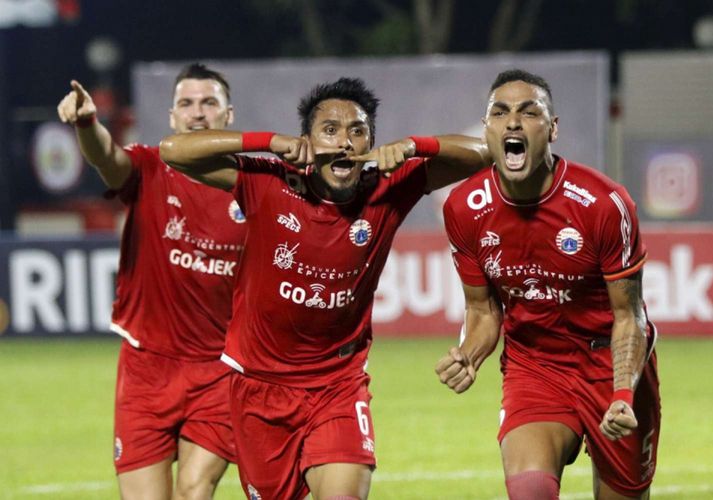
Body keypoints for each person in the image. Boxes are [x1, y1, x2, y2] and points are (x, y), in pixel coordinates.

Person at [159, 76, 489, 500]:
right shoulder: (268, 180)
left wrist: (412, 146)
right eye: (330, 130)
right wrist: (270, 141)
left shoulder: (389, 186)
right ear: (308, 141)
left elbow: (481, 154)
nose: (345, 142)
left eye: (358, 130)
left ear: (372, 140)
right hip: (258, 387)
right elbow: (173, 151)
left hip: (338, 385)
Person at [435, 69, 660, 499]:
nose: (513, 122)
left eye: (529, 112)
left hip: (609, 363)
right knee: (530, 490)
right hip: (535, 365)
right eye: (500, 113)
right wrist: (468, 355)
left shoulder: (603, 204)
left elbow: (629, 316)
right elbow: (483, 311)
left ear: (552, 129)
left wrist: (622, 392)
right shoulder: (465, 208)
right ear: (488, 130)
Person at [57, 63, 244, 500]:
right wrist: (87, 123)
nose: (198, 113)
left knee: (194, 491)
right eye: (187, 103)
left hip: (221, 370)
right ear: (172, 116)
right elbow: (107, 156)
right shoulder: (149, 168)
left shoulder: (253, 186)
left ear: (228, 115)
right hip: (147, 370)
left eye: (209, 102)